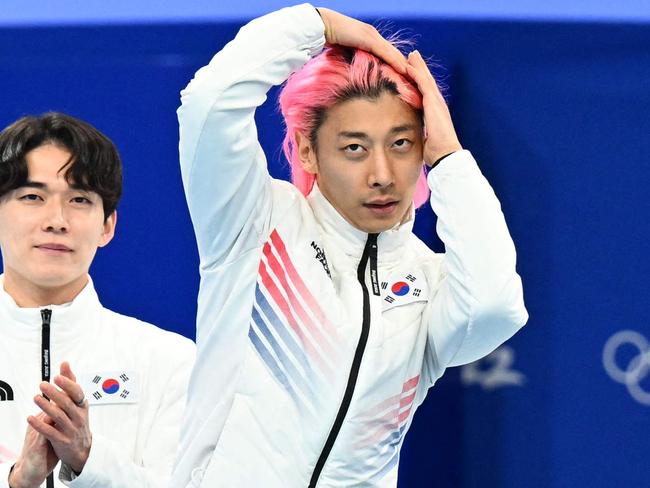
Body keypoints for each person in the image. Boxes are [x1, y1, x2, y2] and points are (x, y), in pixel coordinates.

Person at [172, 4, 527, 487]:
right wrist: (321, 25)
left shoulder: (429, 281)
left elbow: (495, 308)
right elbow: (209, 102)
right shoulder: (255, 223)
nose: (382, 175)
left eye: (401, 143)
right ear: (306, 150)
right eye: (354, 148)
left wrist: (450, 159)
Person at [0, 112, 195, 488]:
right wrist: (18, 481)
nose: (56, 220)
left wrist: (89, 461)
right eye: (32, 196)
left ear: (107, 225)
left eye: (78, 199)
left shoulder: (170, 362)